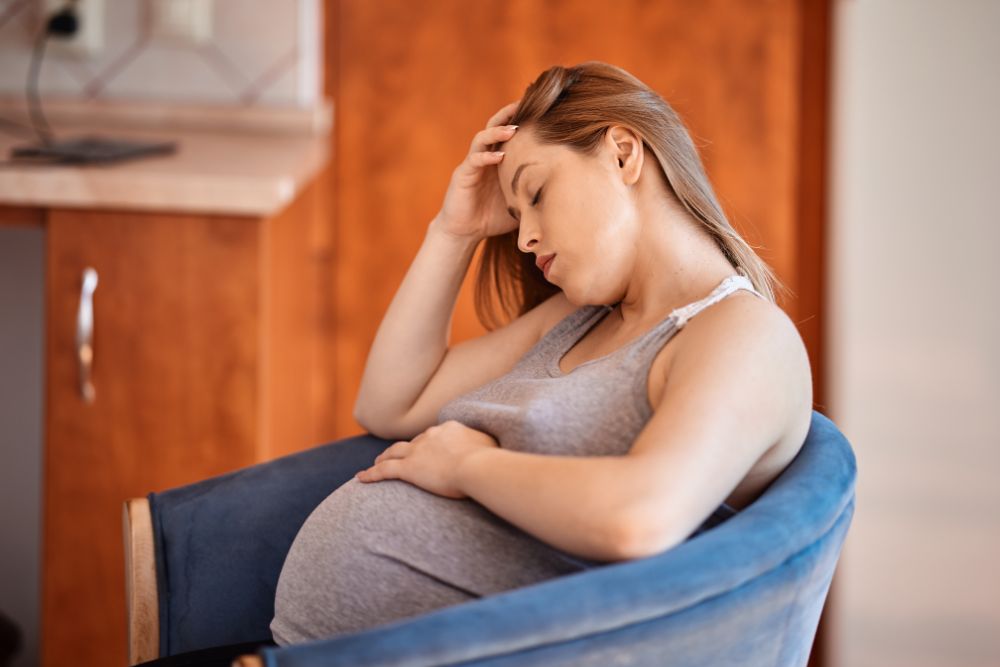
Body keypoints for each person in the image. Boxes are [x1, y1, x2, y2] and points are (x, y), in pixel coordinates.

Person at [141, 60, 814, 665]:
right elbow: (390, 403)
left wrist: (467, 466)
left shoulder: (741, 334)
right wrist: (453, 230)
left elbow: (639, 516)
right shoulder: (578, 317)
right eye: (515, 212)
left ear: (622, 153)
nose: (523, 237)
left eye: (536, 193)